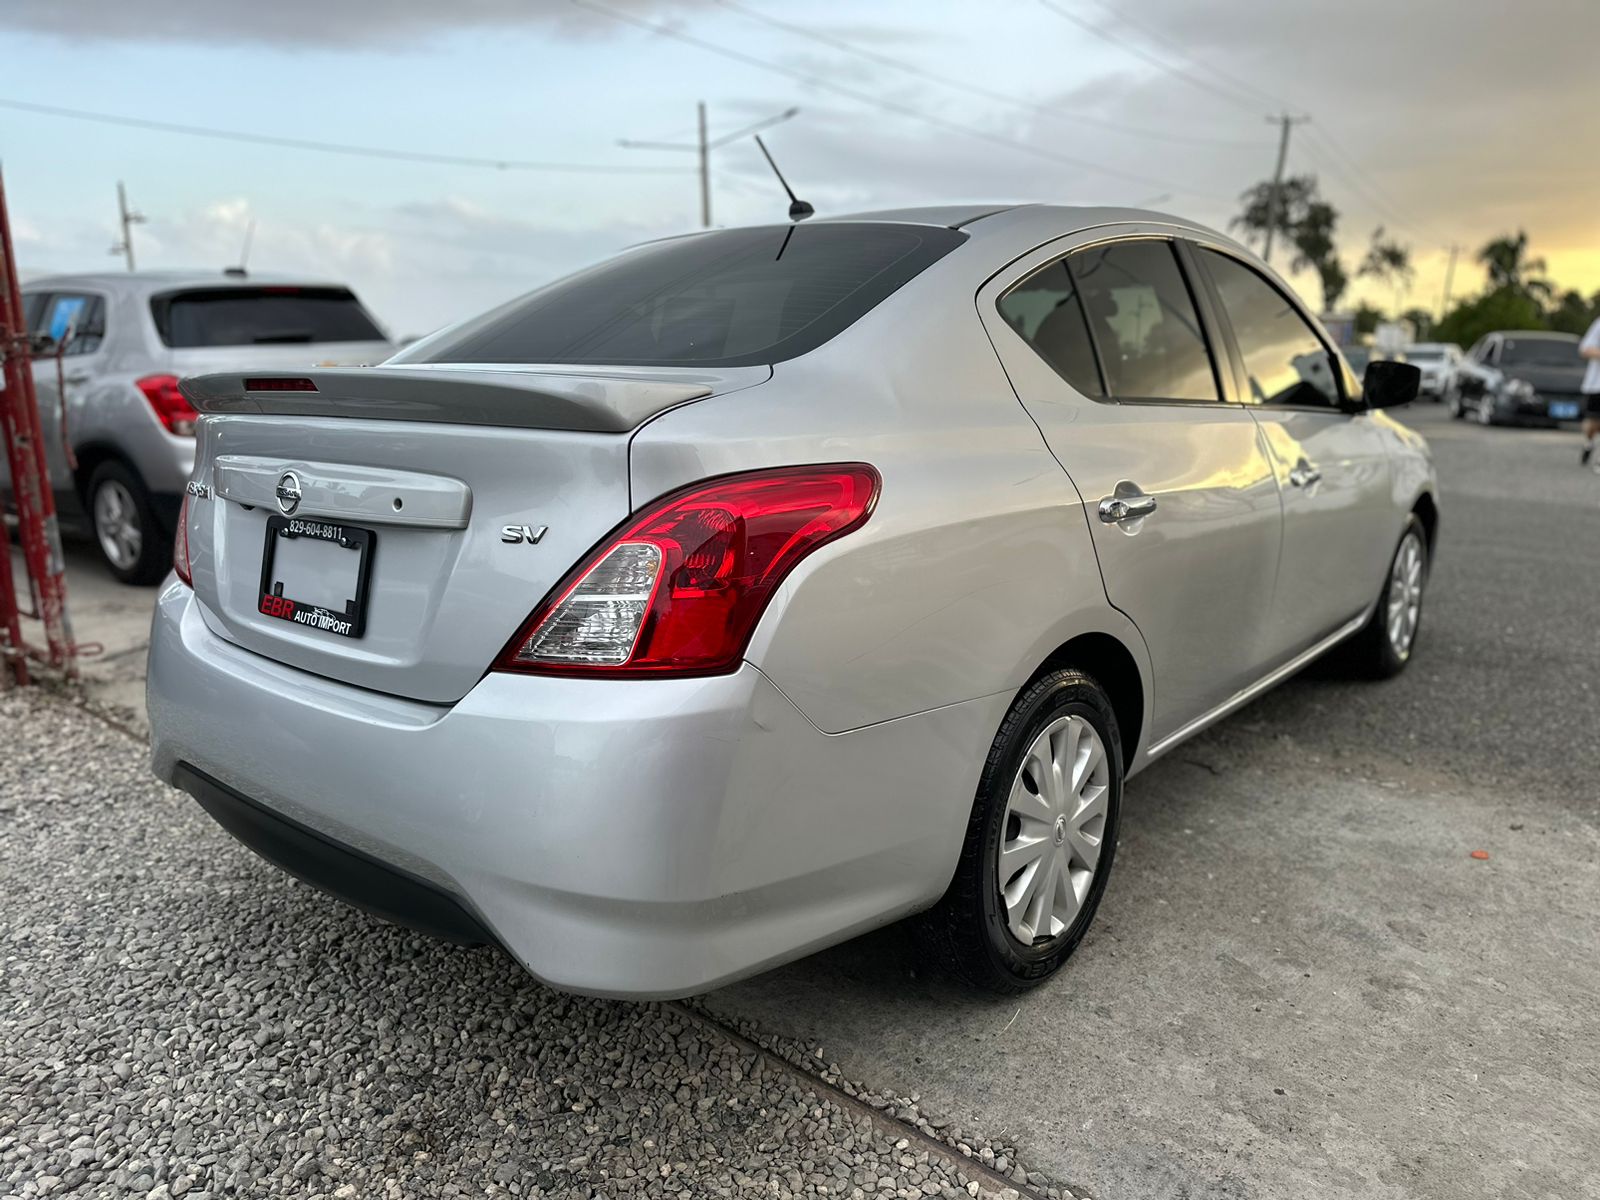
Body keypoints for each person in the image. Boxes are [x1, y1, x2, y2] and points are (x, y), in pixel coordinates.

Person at [1583, 313, 1600, 467]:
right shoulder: (1599, 324)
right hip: (1597, 385)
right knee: (1594, 423)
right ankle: (1589, 442)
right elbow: (1585, 349)